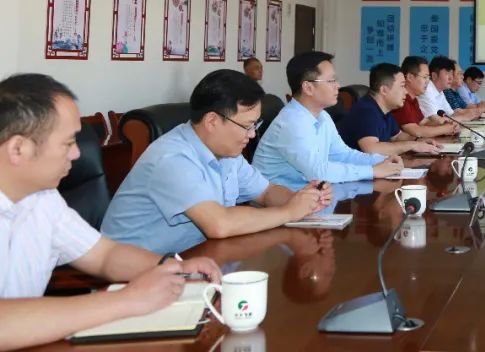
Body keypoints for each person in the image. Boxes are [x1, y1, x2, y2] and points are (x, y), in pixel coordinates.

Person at [0, 74, 220, 350]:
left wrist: (172, 267)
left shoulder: (43, 199)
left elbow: (104, 255)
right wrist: (126, 300)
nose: (76, 154)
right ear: (18, 148)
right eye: (67, 143)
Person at [102, 70, 332, 255]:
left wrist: (303, 199)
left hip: (191, 262)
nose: (252, 134)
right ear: (212, 121)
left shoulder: (227, 153)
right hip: (133, 276)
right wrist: (289, 212)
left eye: (255, 125)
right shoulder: (172, 158)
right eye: (247, 126)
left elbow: (266, 192)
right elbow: (219, 224)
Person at [254, 51, 403, 188]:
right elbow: (318, 172)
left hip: (307, 196)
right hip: (276, 202)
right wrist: (372, 171)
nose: (338, 86)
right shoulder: (291, 122)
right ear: (308, 88)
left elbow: (342, 154)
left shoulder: (322, 116)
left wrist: (381, 160)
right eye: (331, 80)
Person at [339, 63, 443, 156]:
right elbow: (371, 149)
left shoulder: (385, 110)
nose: (406, 92)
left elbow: (398, 137)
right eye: (402, 86)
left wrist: (420, 142)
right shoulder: (366, 111)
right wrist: (412, 145)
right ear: (384, 90)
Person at [392, 56, 459, 139]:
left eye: (428, 77)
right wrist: (444, 129)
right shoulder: (402, 100)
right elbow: (416, 131)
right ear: (410, 77)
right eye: (424, 77)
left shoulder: (414, 100)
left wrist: (444, 123)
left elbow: (423, 123)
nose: (428, 81)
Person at [418, 56, 482, 122]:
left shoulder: (440, 91)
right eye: (447, 74)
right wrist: (465, 117)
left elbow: (451, 114)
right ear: (434, 76)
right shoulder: (427, 90)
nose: (451, 78)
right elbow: (436, 121)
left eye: (451, 74)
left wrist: (470, 115)